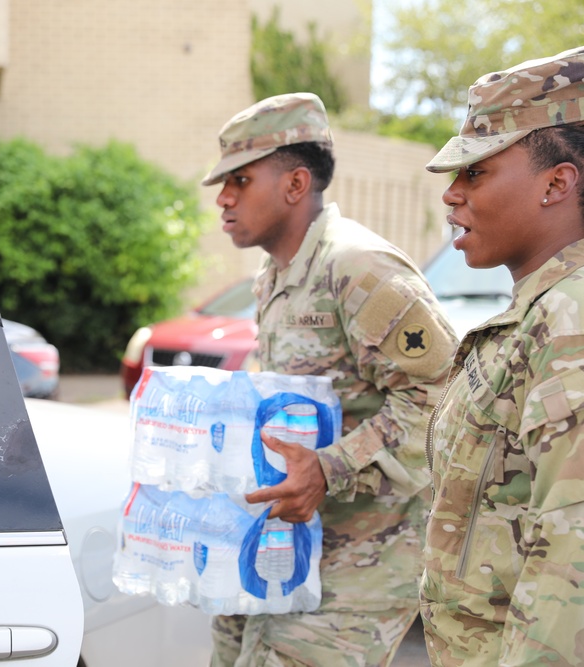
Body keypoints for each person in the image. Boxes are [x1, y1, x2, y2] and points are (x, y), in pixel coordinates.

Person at [202, 92, 458, 666]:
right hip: (283, 540)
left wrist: (330, 467)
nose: (223, 198)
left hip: (363, 558)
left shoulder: (359, 267)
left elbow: (444, 399)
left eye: (240, 180)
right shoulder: (277, 273)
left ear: (295, 185)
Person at [421, 46, 584, 666]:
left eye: (477, 173)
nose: (451, 195)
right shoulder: (539, 314)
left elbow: (570, 564)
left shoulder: (571, 320)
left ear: (557, 182)